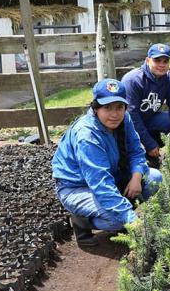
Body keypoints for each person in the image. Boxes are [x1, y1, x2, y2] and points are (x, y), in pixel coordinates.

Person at [52, 79, 162, 246]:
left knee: (154, 178)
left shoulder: (124, 119)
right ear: (96, 108)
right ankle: (81, 221)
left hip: (112, 175)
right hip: (77, 187)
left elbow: (136, 152)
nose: (114, 114)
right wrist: (133, 220)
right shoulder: (87, 136)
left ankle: (119, 208)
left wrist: (136, 177)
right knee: (119, 220)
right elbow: (100, 183)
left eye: (119, 107)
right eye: (107, 107)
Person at [121, 43, 170, 168]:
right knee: (133, 146)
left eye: (165, 61)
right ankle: (143, 159)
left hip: (149, 119)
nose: (161, 65)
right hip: (126, 125)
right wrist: (149, 144)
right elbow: (131, 115)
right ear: (147, 60)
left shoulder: (168, 78)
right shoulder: (133, 80)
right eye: (157, 60)